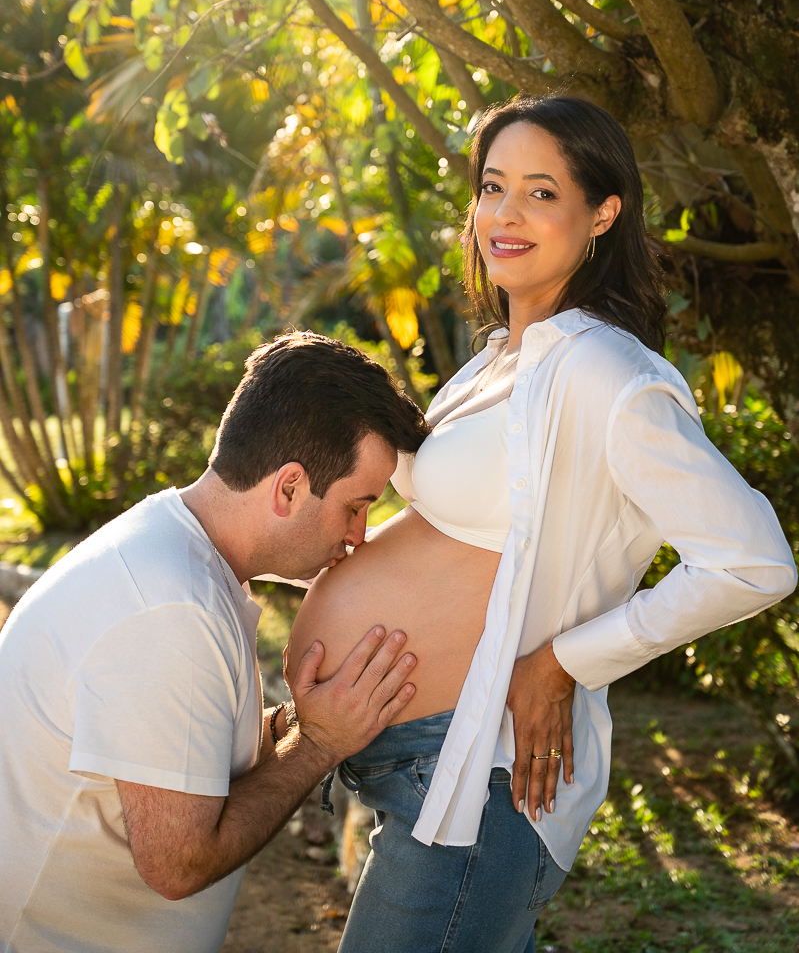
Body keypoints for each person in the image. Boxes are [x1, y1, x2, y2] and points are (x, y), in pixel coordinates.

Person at [285, 95, 798, 953]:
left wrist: (564, 660)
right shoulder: (499, 360)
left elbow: (752, 564)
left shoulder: (607, 372)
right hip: (416, 764)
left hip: (475, 781)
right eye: (491, 187)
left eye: (540, 192)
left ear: (602, 212)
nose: (504, 214)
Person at [0, 332, 430, 953]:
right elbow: (179, 864)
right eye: (356, 507)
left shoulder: (178, 552)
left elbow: (181, 743)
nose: (360, 536)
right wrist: (317, 745)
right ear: (287, 488)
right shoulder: (168, 609)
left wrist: (295, 720)